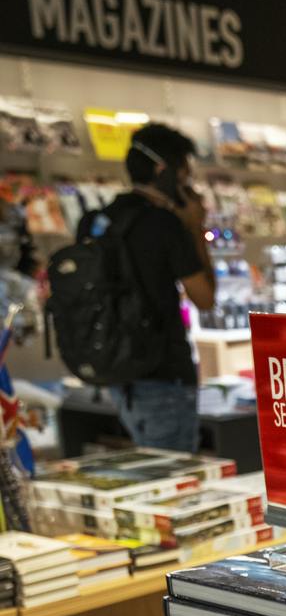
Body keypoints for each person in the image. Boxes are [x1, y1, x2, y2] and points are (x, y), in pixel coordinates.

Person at [103, 122, 216, 452]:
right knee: (173, 484)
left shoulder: (102, 218)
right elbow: (205, 297)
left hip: (115, 372)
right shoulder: (164, 224)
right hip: (164, 374)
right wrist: (195, 228)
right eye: (184, 175)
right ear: (163, 170)